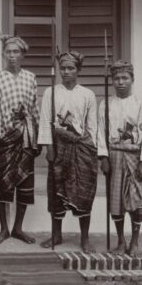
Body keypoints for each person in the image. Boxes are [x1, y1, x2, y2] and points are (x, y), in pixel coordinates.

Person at [98, 60, 142, 255]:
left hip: (136, 157)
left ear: (132, 79)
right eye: (116, 78)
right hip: (115, 155)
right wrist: (103, 157)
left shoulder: (141, 104)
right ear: (112, 80)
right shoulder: (106, 105)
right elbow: (100, 132)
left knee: (137, 199)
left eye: (125, 78)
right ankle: (120, 241)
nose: (120, 82)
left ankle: (135, 242)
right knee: (116, 200)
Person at [38, 50, 99, 253]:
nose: (66, 71)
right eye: (62, 68)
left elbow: (92, 127)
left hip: (82, 148)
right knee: (57, 190)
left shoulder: (87, 94)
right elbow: (46, 121)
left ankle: (84, 238)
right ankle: (57, 234)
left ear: (78, 70)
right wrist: (49, 147)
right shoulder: (50, 93)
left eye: (70, 68)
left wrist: (93, 150)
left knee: (83, 190)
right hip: (59, 147)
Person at [0, 34, 40, 245]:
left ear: (23, 55)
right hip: (3, 138)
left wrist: (37, 139)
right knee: (1, 184)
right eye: (8, 52)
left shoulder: (30, 78)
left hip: (26, 138)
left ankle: (18, 228)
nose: (11, 56)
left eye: (16, 52)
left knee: (24, 182)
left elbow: (34, 109)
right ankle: (3, 229)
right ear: (3, 55)